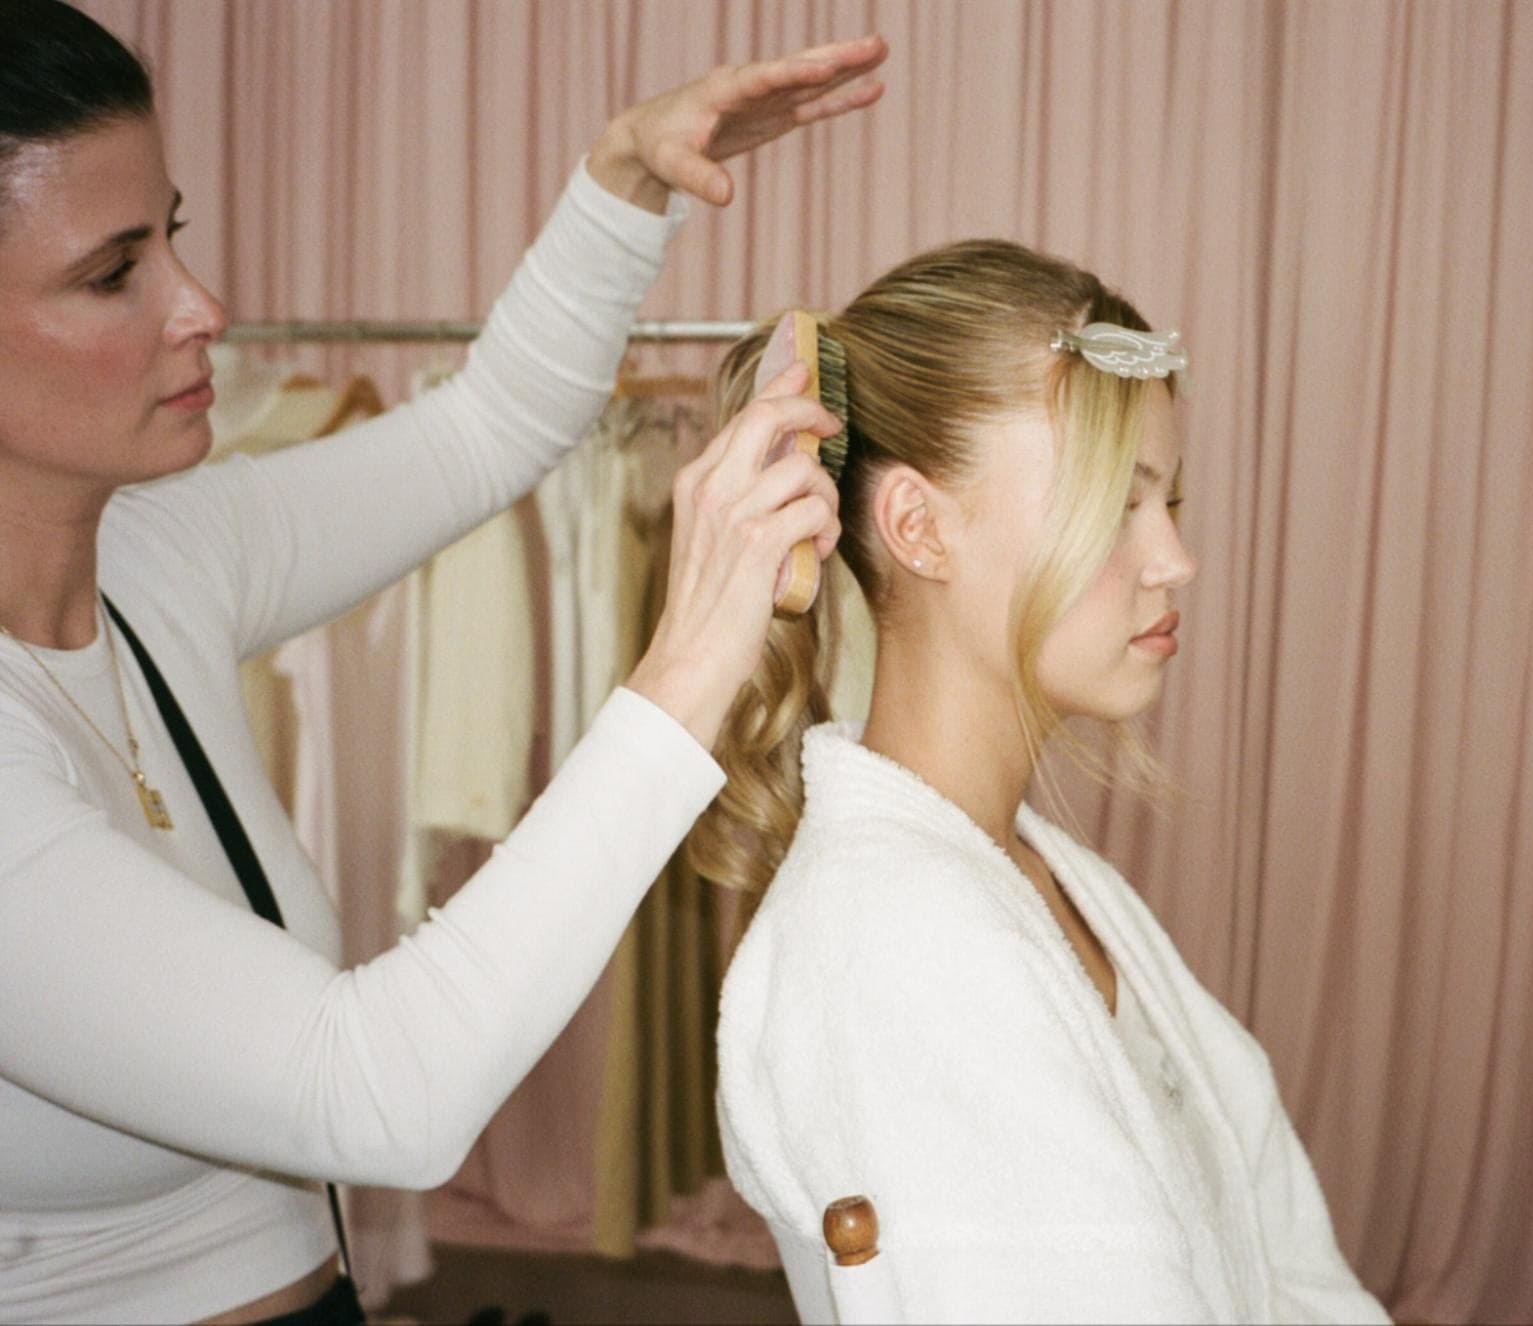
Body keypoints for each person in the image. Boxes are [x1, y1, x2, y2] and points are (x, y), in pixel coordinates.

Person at [0, 3, 885, 1323]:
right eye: (113, 271)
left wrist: (627, 177)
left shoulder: (158, 557)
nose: (205, 308)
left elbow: (489, 428)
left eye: (171, 236)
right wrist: (696, 656)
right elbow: (377, 1092)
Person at [704, 241, 1390, 1323]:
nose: (1173, 559)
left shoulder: (1033, 872)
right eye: (1116, 504)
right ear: (920, 528)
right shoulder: (904, 940)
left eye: (1168, 502)